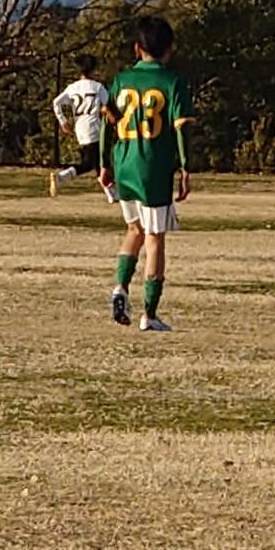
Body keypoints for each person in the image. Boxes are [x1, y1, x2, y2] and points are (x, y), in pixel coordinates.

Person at [99, 17, 193, 332]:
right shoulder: (172, 82)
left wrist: (104, 164)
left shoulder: (122, 80)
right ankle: (149, 314)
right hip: (153, 166)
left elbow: (107, 124)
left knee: (134, 229)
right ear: (170, 48)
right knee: (154, 238)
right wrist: (186, 167)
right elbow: (181, 129)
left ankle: (120, 288)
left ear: (137, 48)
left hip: (124, 162)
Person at [50, 54, 116, 203]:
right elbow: (108, 106)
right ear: (93, 70)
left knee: (96, 161)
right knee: (92, 162)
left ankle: (111, 194)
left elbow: (56, 102)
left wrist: (63, 121)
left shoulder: (72, 88)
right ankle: (61, 177)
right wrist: (114, 120)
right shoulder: (97, 87)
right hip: (95, 127)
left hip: (80, 128)